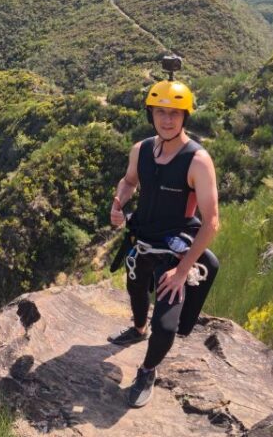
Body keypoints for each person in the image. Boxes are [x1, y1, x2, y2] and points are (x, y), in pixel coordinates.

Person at [107, 76, 220, 408]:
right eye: (160, 112)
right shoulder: (141, 150)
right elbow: (129, 182)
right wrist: (118, 203)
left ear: (185, 117)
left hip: (176, 248)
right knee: (136, 290)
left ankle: (148, 369)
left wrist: (183, 271)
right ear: (151, 114)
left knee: (167, 324)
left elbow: (212, 221)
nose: (167, 120)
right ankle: (138, 329)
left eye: (174, 113)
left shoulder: (197, 160)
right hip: (142, 238)